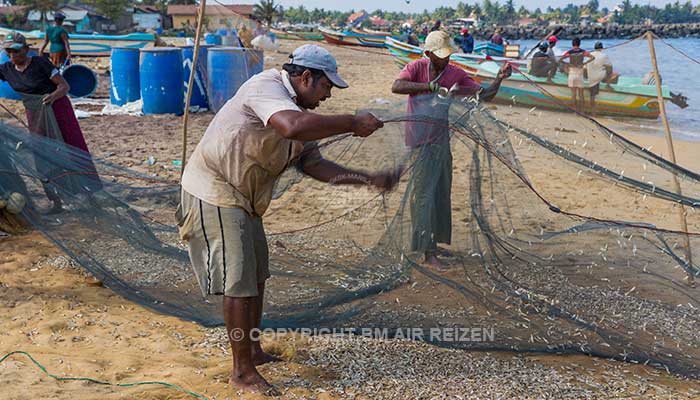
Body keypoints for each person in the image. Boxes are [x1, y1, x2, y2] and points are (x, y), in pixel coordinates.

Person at [178, 44, 399, 395]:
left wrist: (367, 179)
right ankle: (241, 374)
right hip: (214, 189)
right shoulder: (266, 87)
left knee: (256, 277)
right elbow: (291, 127)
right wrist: (352, 123)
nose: (328, 95)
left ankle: (252, 351)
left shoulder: (298, 108)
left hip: (246, 198)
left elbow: (313, 165)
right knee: (239, 282)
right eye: (327, 86)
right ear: (306, 76)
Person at [391, 31, 511, 269]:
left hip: (441, 140)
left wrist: (499, 78)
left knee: (441, 192)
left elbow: (484, 94)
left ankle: (435, 243)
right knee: (424, 195)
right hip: (419, 141)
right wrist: (429, 87)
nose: (444, 60)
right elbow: (397, 86)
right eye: (439, 56)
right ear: (428, 54)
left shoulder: (455, 73)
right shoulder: (415, 67)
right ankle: (426, 252)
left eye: (447, 55)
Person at [0, 32, 100, 214]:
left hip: (58, 109)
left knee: (70, 149)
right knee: (43, 155)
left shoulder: (40, 64)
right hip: (35, 114)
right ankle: (56, 201)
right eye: (9, 51)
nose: (13, 55)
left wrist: (52, 96)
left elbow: (64, 87)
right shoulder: (6, 69)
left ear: (26, 50)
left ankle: (89, 196)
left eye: (16, 51)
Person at [559, 37, 594, 113]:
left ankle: (575, 111)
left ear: (572, 44)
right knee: (581, 94)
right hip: (580, 74)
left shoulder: (569, 52)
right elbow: (592, 57)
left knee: (573, 94)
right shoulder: (583, 51)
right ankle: (582, 111)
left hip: (572, 73)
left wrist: (568, 64)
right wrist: (584, 63)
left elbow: (560, 60)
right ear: (579, 44)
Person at [585, 41, 613, 115]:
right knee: (609, 69)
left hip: (591, 77)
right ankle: (608, 85)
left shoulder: (589, 54)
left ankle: (592, 110)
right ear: (601, 48)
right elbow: (610, 66)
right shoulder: (604, 55)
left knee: (592, 95)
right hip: (599, 77)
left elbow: (584, 67)